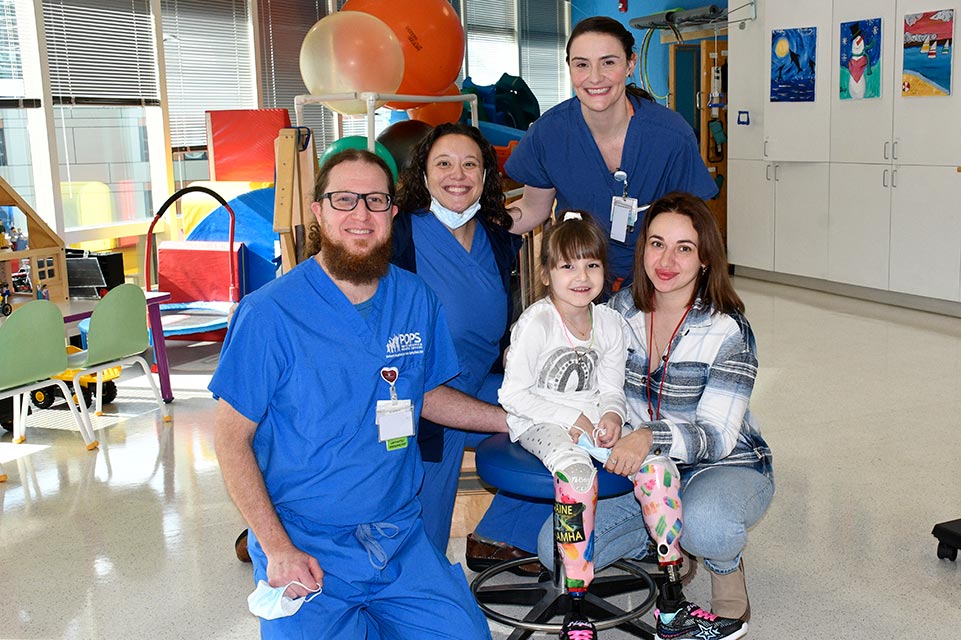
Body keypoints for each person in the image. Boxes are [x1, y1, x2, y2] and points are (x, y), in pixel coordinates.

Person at [212, 148, 496, 639]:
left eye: (375, 200)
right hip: (304, 543)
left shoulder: (415, 299)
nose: (361, 214)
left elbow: (425, 393)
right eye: (344, 200)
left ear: (393, 213)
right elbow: (230, 440)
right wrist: (276, 547)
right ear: (318, 210)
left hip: (398, 539)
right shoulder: (269, 314)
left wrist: (511, 420)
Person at [536, 192, 774, 636]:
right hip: (643, 470)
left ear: (705, 258)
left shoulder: (728, 329)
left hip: (721, 466)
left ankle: (724, 565)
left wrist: (648, 435)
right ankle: (663, 543)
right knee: (554, 551)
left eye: (685, 248)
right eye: (657, 243)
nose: (667, 259)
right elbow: (568, 348)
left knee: (707, 524)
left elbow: (718, 437)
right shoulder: (615, 312)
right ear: (642, 247)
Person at [392, 122, 534, 563]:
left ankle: (497, 534)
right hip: (419, 403)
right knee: (419, 547)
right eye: (444, 163)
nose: (459, 174)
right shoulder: (398, 235)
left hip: (479, 385)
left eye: (470, 163)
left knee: (561, 422)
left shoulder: (496, 236)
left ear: (486, 176)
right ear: (424, 175)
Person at [506, 16, 718, 290]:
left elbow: (697, 223)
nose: (595, 77)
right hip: (582, 283)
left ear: (630, 64)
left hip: (656, 283)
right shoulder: (549, 133)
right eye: (582, 64)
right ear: (570, 68)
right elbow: (533, 208)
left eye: (608, 62)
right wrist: (476, 224)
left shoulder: (670, 135)